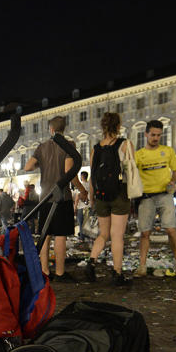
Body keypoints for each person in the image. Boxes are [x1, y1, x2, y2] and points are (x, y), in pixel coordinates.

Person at [24, 116, 86, 282]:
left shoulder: (42, 147)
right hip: (61, 196)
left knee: (46, 235)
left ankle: (45, 271)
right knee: (60, 236)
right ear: (63, 129)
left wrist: (41, 164)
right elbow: (69, 173)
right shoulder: (68, 145)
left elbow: (27, 166)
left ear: (50, 129)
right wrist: (83, 191)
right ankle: (59, 272)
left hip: (44, 197)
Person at [134, 120, 176, 277]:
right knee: (145, 233)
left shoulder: (168, 151)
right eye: (153, 135)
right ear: (146, 134)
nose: (156, 138)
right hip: (146, 197)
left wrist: (173, 180)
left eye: (158, 135)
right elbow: (132, 174)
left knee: (171, 229)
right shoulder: (139, 155)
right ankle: (142, 266)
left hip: (165, 195)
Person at [85, 112, 133, 286]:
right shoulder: (125, 145)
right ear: (118, 126)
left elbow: (92, 176)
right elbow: (131, 172)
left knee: (103, 233)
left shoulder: (95, 149)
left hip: (101, 196)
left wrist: (91, 197)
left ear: (102, 127)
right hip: (120, 194)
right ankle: (117, 273)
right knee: (117, 236)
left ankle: (91, 261)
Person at [74, 171, 90, 238]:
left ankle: (82, 239)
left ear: (82, 176)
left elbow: (78, 197)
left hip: (81, 208)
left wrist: (75, 208)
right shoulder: (90, 185)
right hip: (89, 207)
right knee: (88, 226)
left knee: (81, 225)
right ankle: (88, 239)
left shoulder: (81, 185)